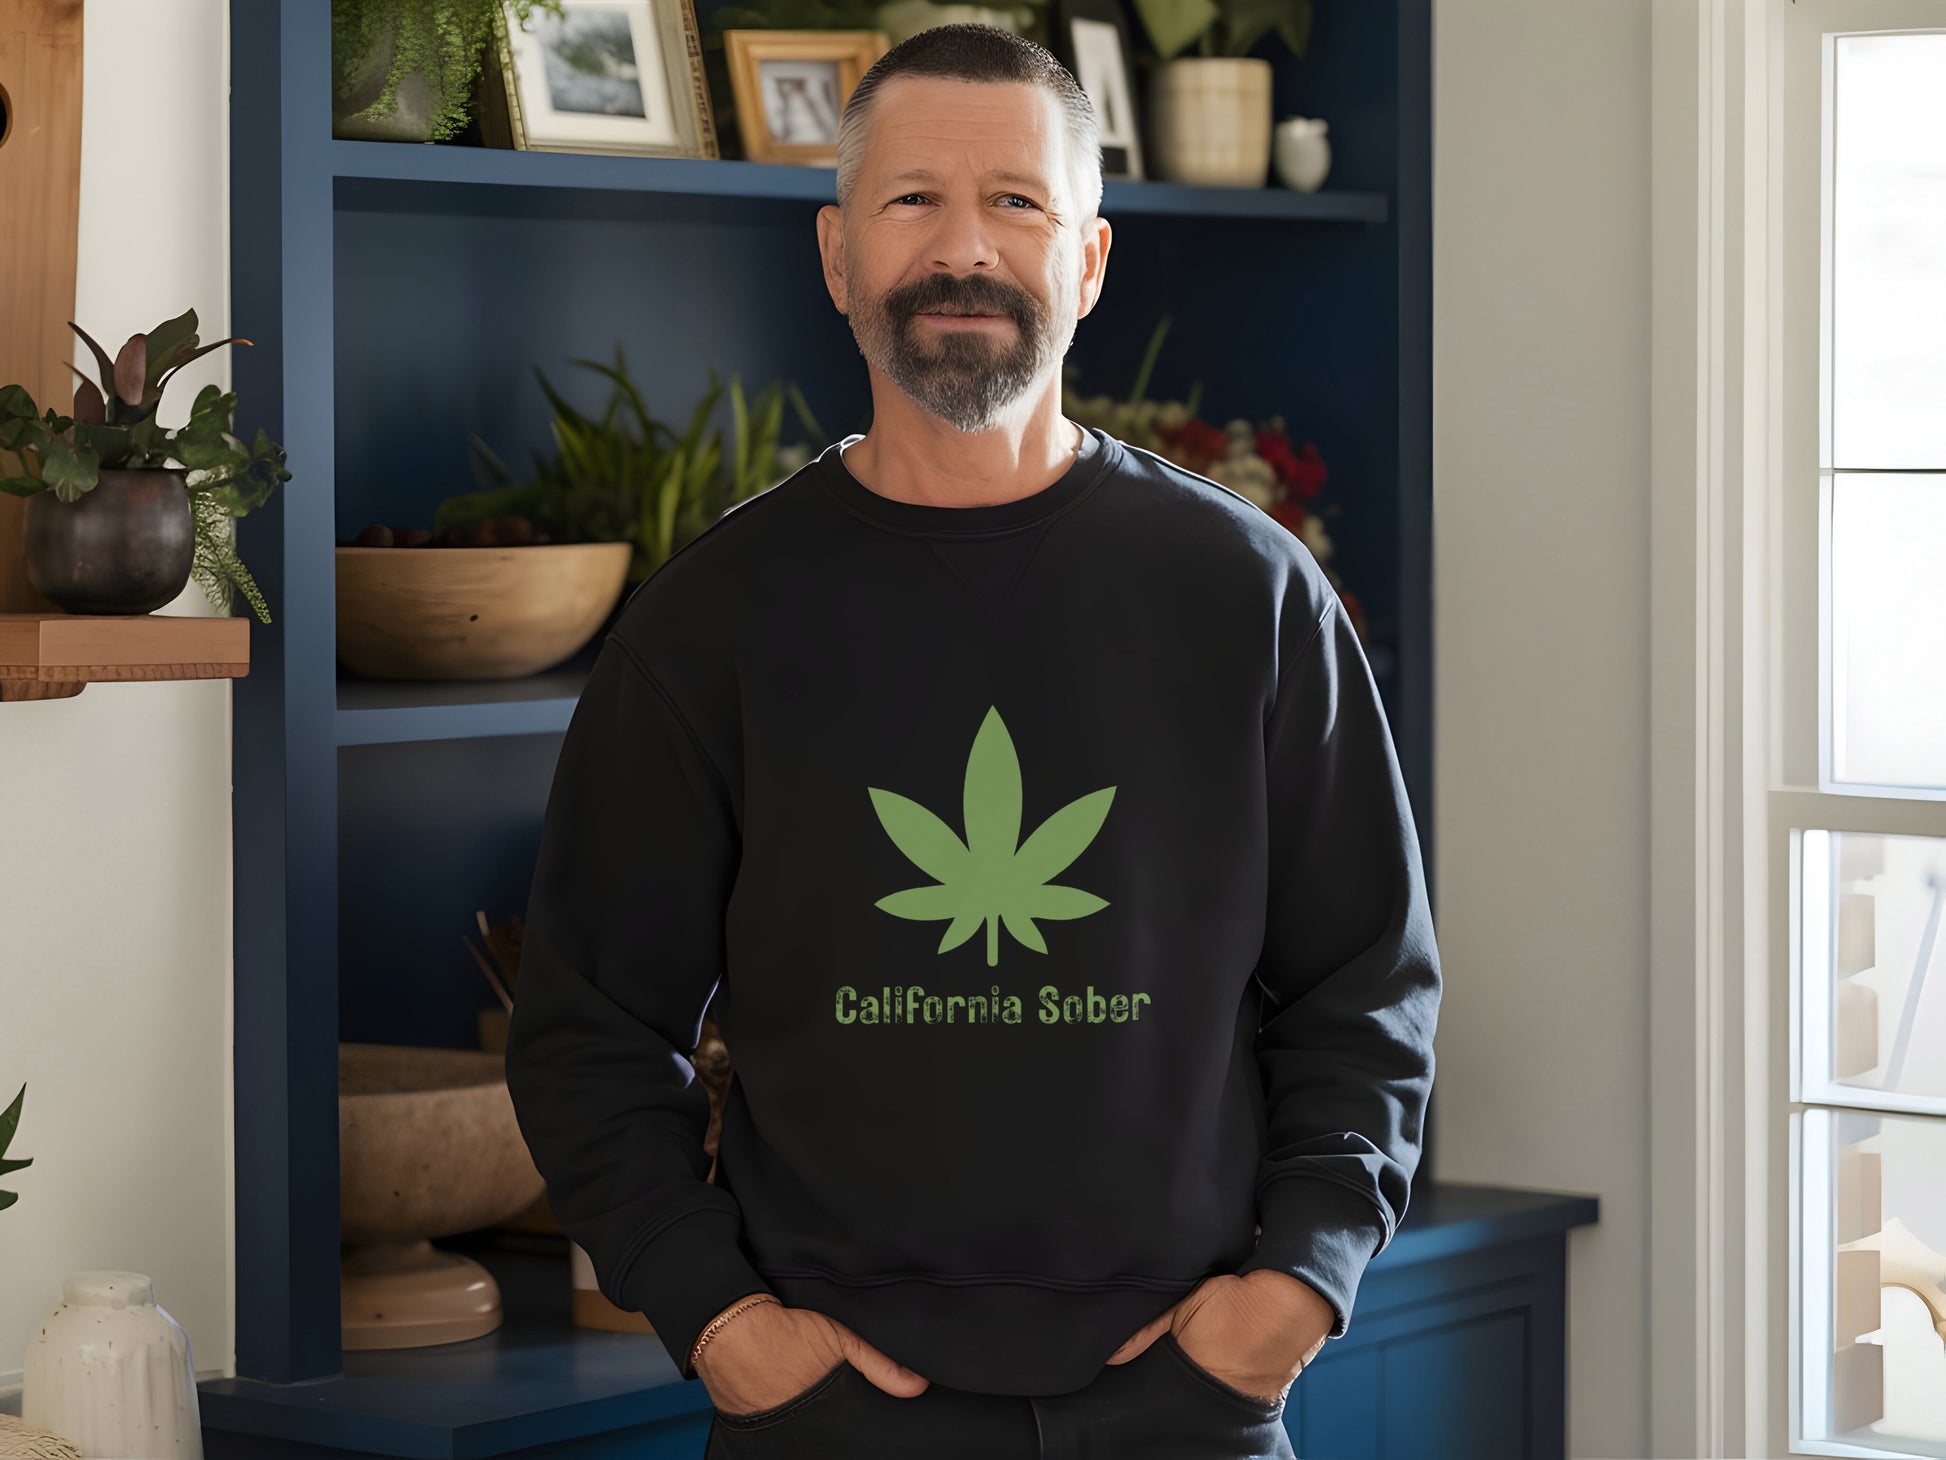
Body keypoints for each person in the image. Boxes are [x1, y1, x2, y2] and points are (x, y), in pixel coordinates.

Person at [503, 23, 1441, 1459]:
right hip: (826, 1416)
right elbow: (589, 1030)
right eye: (910, 202)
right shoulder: (713, 618)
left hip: (1186, 1403)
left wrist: (1294, 1294)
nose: (964, 250)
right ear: (834, 255)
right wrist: (722, 1327)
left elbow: (1364, 989)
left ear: (1089, 260)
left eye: (1016, 201)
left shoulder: (1247, 592)